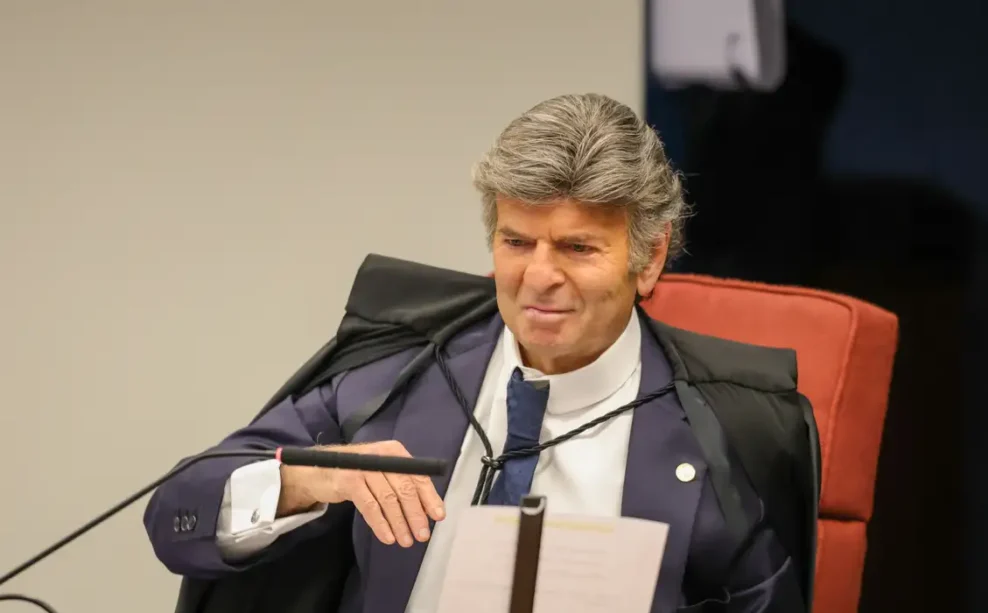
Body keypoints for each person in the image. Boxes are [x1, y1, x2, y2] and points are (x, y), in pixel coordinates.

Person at [143, 93, 819, 613]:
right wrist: (312, 480)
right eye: (517, 242)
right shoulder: (399, 380)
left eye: (578, 248)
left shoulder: (717, 433)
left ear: (650, 257)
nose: (539, 276)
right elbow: (177, 513)